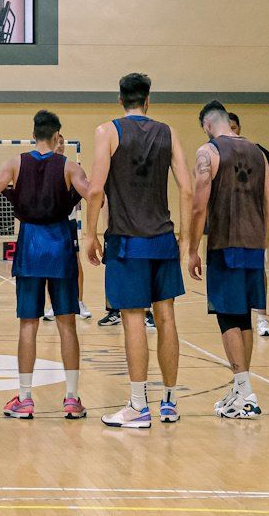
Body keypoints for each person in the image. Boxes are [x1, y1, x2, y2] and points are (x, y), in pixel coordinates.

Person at [85, 72, 193, 428]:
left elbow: (97, 188)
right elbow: (188, 190)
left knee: (133, 320)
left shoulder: (108, 132)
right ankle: (170, 402)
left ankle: (137, 405)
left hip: (128, 241)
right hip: (163, 239)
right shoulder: (169, 132)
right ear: (148, 100)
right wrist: (188, 240)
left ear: (120, 100)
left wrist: (90, 233)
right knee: (166, 318)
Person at [0, 110, 91, 420]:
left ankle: (25, 398)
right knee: (67, 324)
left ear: (33, 134)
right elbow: (94, 194)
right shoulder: (70, 166)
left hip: (30, 244)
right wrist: (96, 232)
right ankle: (72, 399)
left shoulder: (16, 163)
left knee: (28, 324)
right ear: (58, 136)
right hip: (60, 243)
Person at [191, 100, 269, 419]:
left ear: (208, 125)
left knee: (227, 316)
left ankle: (246, 393)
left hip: (225, 244)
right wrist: (260, 240)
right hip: (253, 245)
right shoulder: (258, 152)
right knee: (244, 317)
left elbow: (199, 205)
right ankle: (242, 388)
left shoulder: (208, 152)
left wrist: (192, 248)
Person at [228, 112, 269, 337]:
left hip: (254, 219)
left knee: (257, 267)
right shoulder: (216, 152)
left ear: (239, 127)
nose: (232, 131)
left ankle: (262, 317)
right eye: (228, 127)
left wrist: (268, 195)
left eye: (235, 127)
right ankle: (235, 316)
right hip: (228, 221)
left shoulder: (255, 150)